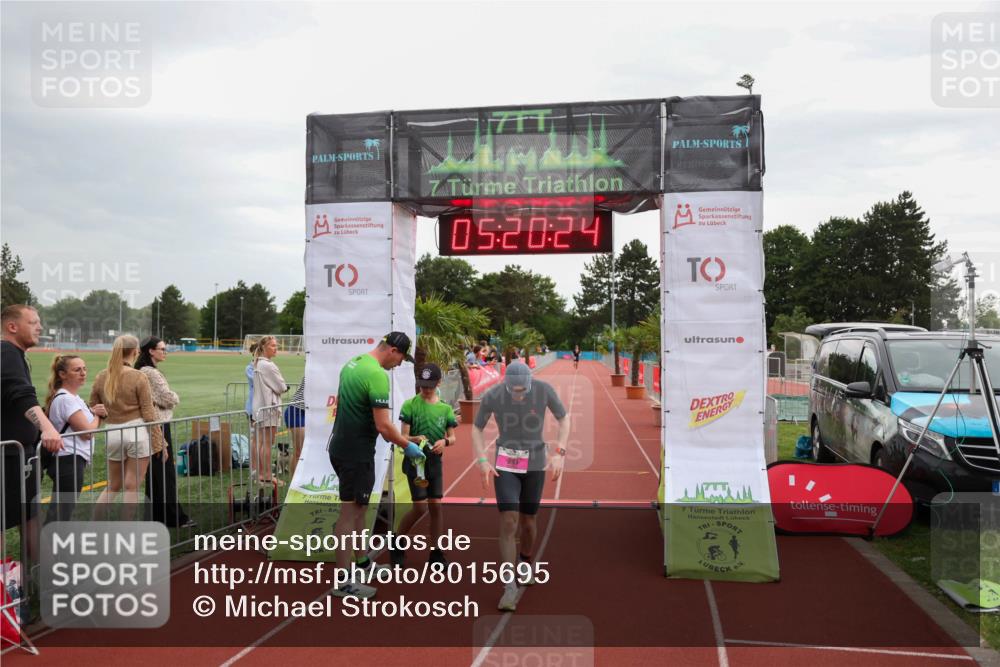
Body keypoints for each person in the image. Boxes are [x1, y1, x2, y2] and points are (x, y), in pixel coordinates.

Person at [327, 332, 428, 599]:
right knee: (349, 514)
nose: (398, 365)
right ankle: (343, 580)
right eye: (400, 359)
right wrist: (408, 445)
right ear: (393, 350)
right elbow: (384, 426)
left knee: (359, 510)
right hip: (356, 453)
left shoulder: (354, 363)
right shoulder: (376, 376)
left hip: (340, 447)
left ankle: (362, 563)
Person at [473, 361, 570, 612]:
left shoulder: (544, 389)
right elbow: (476, 427)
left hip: (535, 463)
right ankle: (509, 586)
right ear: (506, 384)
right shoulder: (493, 395)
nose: (519, 394)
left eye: (522, 390)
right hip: (505, 464)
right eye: (514, 390)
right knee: (508, 521)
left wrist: (560, 452)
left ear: (529, 383)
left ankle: (525, 563)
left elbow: (564, 418)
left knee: (528, 521)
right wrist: (482, 460)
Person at [1, 305, 62, 560]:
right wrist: (47, 428)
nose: (39, 327)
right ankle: (7, 591)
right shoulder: (6, 351)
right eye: (33, 322)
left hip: (19, 456)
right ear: (12, 326)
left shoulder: (14, 354)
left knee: (29, 515)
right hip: (7, 457)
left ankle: (35, 580)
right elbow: (21, 394)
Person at [90, 334, 166, 520]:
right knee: (132, 487)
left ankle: (95, 525)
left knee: (113, 485)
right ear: (135, 352)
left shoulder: (102, 376)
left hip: (113, 432)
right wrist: (161, 442)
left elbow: (93, 406)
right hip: (137, 432)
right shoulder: (138, 376)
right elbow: (149, 414)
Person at [390, 363, 457, 569]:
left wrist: (444, 442)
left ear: (438, 383)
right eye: (422, 385)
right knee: (419, 508)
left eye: (429, 385)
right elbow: (402, 436)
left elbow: (453, 437)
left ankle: (436, 553)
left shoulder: (445, 408)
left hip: (434, 462)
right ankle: (398, 542)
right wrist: (414, 438)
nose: (425, 389)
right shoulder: (410, 405)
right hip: (415, 461)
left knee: (436, 507)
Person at [135, 337, 194, 528]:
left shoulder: (142, 371)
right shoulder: (151, 373)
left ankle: (157, 514)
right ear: (151, 351)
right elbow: (168, 398)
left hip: (150, 424)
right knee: (165, 472)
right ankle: (173, 516)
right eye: (162, 349)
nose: (164, 352)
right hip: (158, 425)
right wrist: (176, 396)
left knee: (155, 473)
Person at [42, 355, 107, 522]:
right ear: (62, 374)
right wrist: (98, 416)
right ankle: (51, 546)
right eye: (77, 370)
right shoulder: (66, 399)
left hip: (70, 459)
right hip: (68, 459)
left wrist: (92, 413)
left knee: (63, 510)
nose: (83, 373)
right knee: (61, 512)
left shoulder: (72, 398)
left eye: (84, 369)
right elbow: (87, 432)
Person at [251, 335, 288, 485]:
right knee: (267, 443)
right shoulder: (267, 365)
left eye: (276, 346)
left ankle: (260, 473)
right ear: (264, 348)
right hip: (268, 407)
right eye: (273, 346)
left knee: (261, 442)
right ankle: (266, 475)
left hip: (261, 407)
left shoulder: (258, 363)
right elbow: (281, 387)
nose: (276, 348)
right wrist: (284, 387)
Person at [283, 376, 306, 478]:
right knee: (299, 451)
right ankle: (294, 483)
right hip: (296, 411)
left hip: (308, 413)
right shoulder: (314, 370)